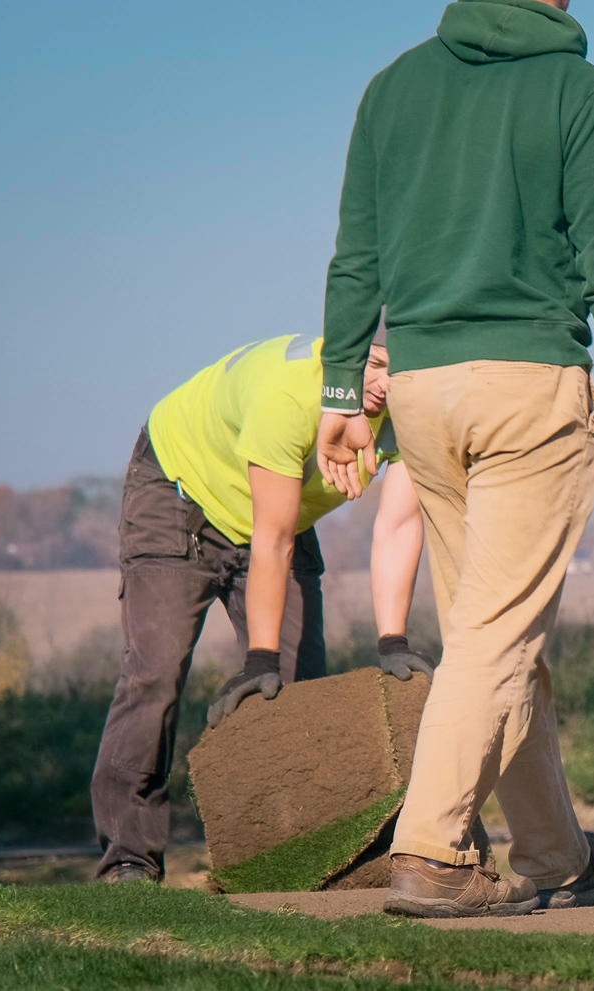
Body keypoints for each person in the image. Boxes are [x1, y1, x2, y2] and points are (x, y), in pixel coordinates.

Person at [315, 0, 594, 919]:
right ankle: (432, 852)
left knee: (496, 630)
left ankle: (554, 851)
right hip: (529, 388)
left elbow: (356, 254)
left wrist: (339, 392)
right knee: (495, 636)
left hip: (421, 392)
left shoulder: (392, 87)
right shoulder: (578, 90)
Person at [91, 330, 433, 884]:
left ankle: (298, 861)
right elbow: (269, 541)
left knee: (300, 690)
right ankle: (129, 861)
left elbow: (398, 524)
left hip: (280, 513)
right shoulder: (289, 395)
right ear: (345, 353)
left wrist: (393, 641)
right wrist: (259, 659)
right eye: (374, 364)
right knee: (155, 674)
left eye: (403, 369)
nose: (385, 385)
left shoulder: (417, 407)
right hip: (181, 496)